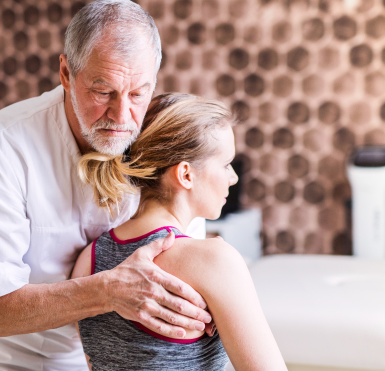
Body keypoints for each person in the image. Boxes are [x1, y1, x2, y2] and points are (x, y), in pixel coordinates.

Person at [0, 0, 214, 370]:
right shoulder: (1, 146)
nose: (122, 116)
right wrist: (111, 291)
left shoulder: (159, 145)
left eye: (139, 93)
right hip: (12, 363)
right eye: (103, 91)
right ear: (65, 73)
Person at [72, 93, 287, 371]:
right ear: (185, 174)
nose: (233, 177)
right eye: (225, 165)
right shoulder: (215, 261)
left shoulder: (88, 260)